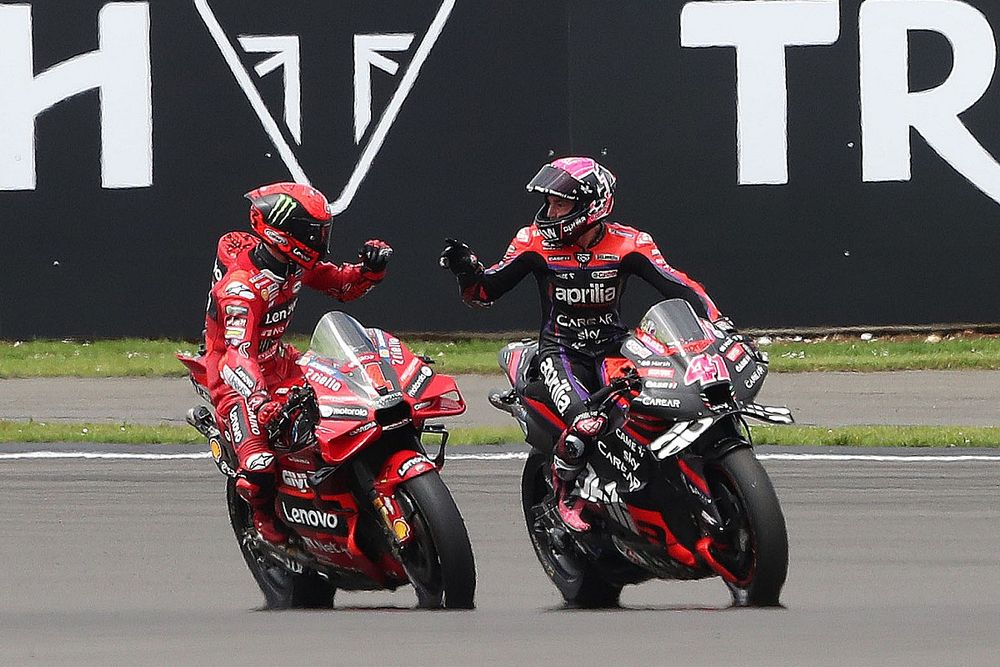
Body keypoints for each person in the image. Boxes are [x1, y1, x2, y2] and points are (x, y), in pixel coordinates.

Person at [440, 156, 726, 532]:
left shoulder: (630, 243)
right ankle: (565, 495)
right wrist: (466, 271)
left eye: (560, 204)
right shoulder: (533, 241)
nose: (550, 212)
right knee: (586, 424)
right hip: (561, 351)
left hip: (616, 347)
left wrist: (715, 323)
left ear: (591, 205)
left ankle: (654, 483)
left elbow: (678, 285)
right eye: (549, 203)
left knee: (658, 406)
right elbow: (484, 292)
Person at [203, 182, 392, 544]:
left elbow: (341, 286)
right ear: (283, 232)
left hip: (280, 362)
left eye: (322, 231)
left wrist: (369, 271)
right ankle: (261, 518)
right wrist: (258, 401)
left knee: (349, 412)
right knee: (259, 466)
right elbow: (237, 356)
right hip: (235, 380)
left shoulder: (293, 265)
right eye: (313, 232)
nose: (320, 240)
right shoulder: (242, 289)